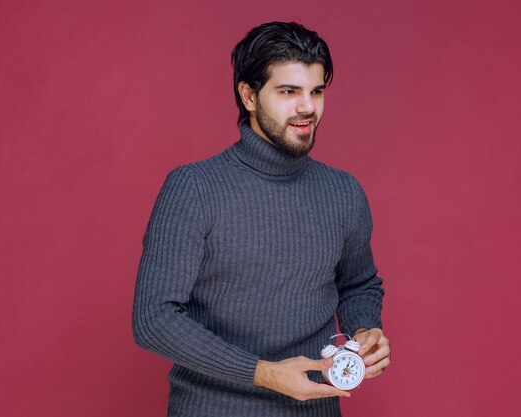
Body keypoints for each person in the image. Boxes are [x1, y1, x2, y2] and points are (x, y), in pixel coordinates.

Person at [133, 21, 390, 417]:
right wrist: (264, 374)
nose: (307, 107)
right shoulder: (194, 188)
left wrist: (363, 330)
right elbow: (153, 318)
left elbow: (358, 282)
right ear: (249, 96)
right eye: (289, 91)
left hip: (317, 410)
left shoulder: (343, 191)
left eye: (316, 91)